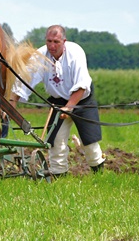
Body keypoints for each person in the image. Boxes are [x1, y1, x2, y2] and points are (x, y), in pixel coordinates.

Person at [10, 25, 105, 177]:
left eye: (56, 42)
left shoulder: (75, 53)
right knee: (56, 143)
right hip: (57, 102)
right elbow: (25, 79)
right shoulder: (41, 55)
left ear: (64, 41)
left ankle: (99, 174)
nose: (52, 46)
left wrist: (70, 107)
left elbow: (82, 85)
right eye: (49, 41)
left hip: (81, 100)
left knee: (90, 143)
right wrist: (12, 102)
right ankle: (59, 177)